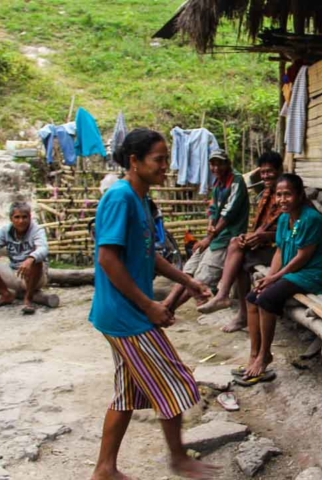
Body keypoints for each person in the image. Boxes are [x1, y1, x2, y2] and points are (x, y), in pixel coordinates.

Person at [88, 128, 219, 480]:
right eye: (158, 160)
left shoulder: (142, 199)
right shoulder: (120, 198)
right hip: (125, 316)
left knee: (128, 393)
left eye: (166, 160)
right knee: (174, 384)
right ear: (134, 161)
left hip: (124, 314)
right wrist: (149, 306)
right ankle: (178, 459)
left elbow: (148, 253)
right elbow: (108, 260)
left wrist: (187, 280)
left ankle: (104, 469)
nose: (166, 167)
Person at [238, 173, 322, 384]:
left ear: (300, 195)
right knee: (252, 297)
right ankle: (254, 354)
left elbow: (303, 257)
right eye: (279, 195)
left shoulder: (311, 219)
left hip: (312, 274)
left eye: (288, 195)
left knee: (266, 299)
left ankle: (265, 355)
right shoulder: (284, 219)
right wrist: (269, 276)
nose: (282, 199)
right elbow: (280, 252)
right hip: (292, 272)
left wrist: (275, 278)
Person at [198, 151, 283, 332]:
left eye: (270, 171)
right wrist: (254, 236)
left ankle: (233, 305)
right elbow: (263, 225)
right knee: (237, 244)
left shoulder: (285, 192)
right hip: (270, 245)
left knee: (239, 255)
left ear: (280, 170)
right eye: (263, 172)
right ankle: (229, 301)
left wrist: (262, 237)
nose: (266, 175)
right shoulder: (267, 192)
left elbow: (290, 233)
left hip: (283, 250)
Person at [164, 148, 249, 312]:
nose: (216, 168)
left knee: (200, 279)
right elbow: (213, 209)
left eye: (220, 164)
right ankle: (167, 304)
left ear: (227, 164)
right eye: (213, 164)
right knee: (187, 271)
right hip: (216, 236)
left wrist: (210, 237)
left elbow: (228, 213)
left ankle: (169, 309)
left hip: (227, 238)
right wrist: (210, 228)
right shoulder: (218, 182)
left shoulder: (236, 181)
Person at [0, 201, 48, 315]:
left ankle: (28, 298)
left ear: (30, 217)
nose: (21, 221)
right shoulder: (5, 231)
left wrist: (30, 258)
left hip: (36, 276)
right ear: (11, 218)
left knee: (37, 260)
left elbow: (43, 249)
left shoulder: (37, 230)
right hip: (14, 273)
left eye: (24, 217)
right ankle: (6, 294)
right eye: (17, 217)